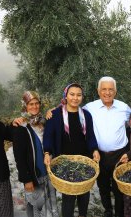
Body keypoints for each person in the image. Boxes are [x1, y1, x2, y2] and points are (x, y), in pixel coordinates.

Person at [43, 83, 100, 217]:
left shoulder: (86, 115)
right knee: (68, 196)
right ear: (66, 96)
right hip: (64, 162)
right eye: (72, 94)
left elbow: (90, 135)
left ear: (82, 97)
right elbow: (48, 136)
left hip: (83, 160)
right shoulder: (55, 115)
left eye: (79, 95)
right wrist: (47, 152)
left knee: (84, 193)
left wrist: (94, 150)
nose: (75, 98)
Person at [83, 76, 131, 217]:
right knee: (103, 186)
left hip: (120, 155)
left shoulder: (124, 108)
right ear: (98, 91)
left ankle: (119, 213)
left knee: (119, 188)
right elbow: (71, 112)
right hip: (100, 156)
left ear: (115, 92)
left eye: (111, 89)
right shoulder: (90, 108)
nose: (107, 92)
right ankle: (108, 211)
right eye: (104, 89)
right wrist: (55, 110)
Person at [12, 91, 59, 217]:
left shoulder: (44, 121)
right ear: (25, 106)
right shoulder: (21, 127)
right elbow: (19, 157)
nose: (34, 106)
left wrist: (54, 110)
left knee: (52, 206)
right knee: (37, 209)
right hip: (34, 176)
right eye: (30, 104)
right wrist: (26, 179)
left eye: (37, 103)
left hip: (48, 173)